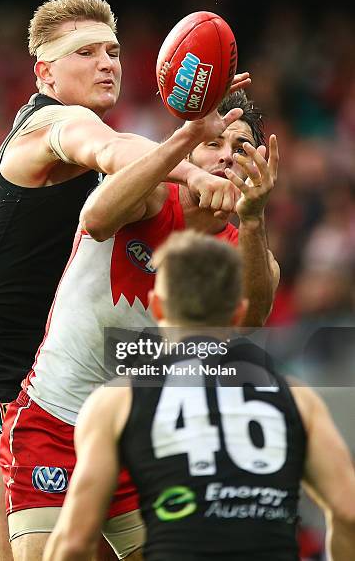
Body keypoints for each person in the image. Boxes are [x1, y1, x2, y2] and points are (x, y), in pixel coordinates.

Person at [0, 0, 250, 560]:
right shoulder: (55, 123)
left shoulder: (118, 135)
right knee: (12, 552)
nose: (107, 63)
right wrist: (194, 163)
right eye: (86, 52)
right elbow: (109, 148)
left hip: (57, 374)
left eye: (114, 51)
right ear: (45, 72)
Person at [0, 89, 279, 560]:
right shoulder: (149, 194)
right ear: (189, 151)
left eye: (241, 147)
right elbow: (96, 216)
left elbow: (250, 319)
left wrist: (252, 220)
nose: (227, 156)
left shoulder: (245, 250)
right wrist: (184, 138)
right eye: (214, 143)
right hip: (52, 423)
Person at [44, 231, 355, 561]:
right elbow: (348, 512)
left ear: (158, 307)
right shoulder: (298, 398)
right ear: (239, 313)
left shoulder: (117, 401)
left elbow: (74, 543)